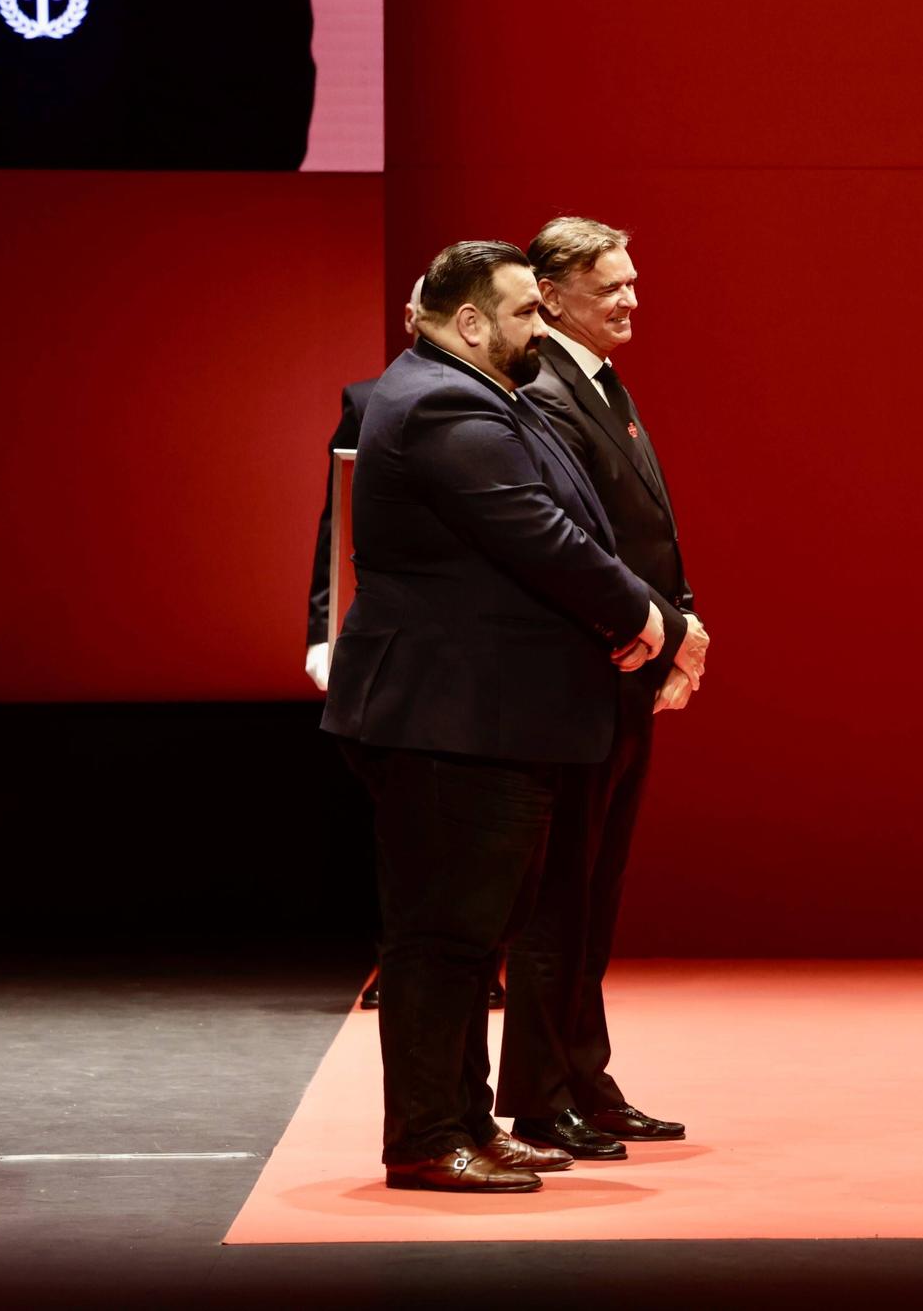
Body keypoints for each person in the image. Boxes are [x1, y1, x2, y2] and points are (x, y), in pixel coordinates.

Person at [323, 240, 668, 1194]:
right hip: (447, 717)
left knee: (474, 934)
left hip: (479, 716)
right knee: (442, 939)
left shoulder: (478, 391)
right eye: (525, 312)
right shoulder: (440, 400)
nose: (540, 326)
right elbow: (541, 533)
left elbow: (569, 523)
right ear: (470, 321)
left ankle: (468, 1121)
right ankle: (431, 1134)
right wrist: (651, 618)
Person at [495, 217, 703, 1160]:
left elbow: (643, 526)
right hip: (585, 669)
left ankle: (583, 1072)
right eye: (608, 285)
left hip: (627, 663)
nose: (629, 298)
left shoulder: (597, 382)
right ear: (551, 290)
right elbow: (575, 543)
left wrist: (681, 621)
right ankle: (542, 1094)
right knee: (561, 897)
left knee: (596, 889)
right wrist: (649, 628)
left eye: (632, 281)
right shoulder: (543, 386)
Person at [305, 280, 505, 1013]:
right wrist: (320, 630)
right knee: (406, 826)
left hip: (477, 645)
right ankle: (402, 958)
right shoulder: (368, 398)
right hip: (397, 648)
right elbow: (339, 519)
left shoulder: (509, 400)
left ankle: (477, 960)